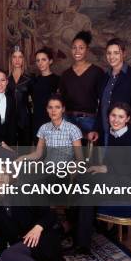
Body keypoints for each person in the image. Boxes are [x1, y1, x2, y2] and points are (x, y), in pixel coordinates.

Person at [23, 95, 91, 253]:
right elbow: (38, 154)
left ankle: (57, 226)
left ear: (63, 109)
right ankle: (38, 228)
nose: (54, 110)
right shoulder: (44, 128)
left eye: (57, 107)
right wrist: (22, 158)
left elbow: (80, 158)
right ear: (47, 110)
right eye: (50, 107)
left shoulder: (72, 129)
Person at [87, 39, 131, 147]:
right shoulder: (104, 77)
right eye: (109, 53)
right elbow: (101, 107)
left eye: (116, 53)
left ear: (123, 54)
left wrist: (128, 133)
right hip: (105, 133)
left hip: (125, 135)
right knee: (106, 164)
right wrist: (95, 129)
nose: (112, 56)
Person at [58, 31, 104, 135]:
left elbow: (103, 100)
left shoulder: (97, 72)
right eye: (74, 47)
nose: (77, 51)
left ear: (87, 50)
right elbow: (61, 100)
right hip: (68, 120)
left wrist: (97, 124)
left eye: (81, 48)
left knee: (88, 151)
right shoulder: (66, 74)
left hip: (89, 120)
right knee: (69, 151)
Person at [31, 47, 60, 142]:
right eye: (38, 60)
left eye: (44, 59)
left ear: (50, 61)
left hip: (52, 120)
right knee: (38, 152)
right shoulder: (34, 81)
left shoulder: (57, 80)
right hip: (36, 120)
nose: (40, 63)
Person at [7, 46, 33, 146]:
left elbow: (33, 102)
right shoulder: (5, 78)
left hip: (25, 119)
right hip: (9, 118)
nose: (17, 60)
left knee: (25, 150)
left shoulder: (29, 79)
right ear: (11, 59)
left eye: (20, 57)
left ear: (23, 59)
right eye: (14, 57)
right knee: (9, 151)